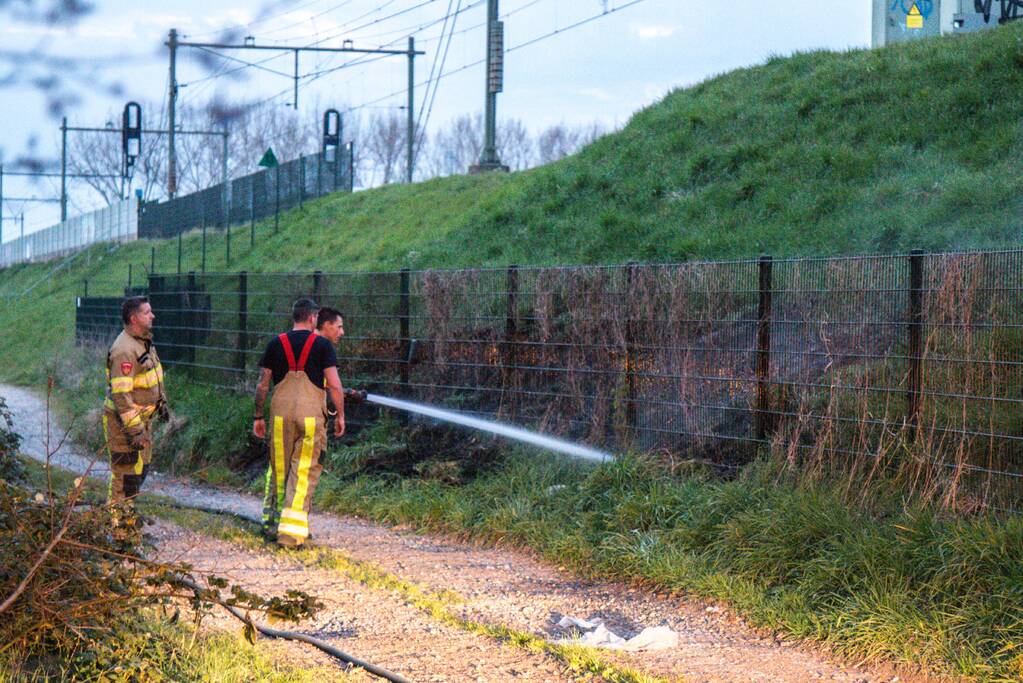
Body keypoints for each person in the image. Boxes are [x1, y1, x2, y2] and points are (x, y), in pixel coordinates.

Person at [253, 298, 344, 547]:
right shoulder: (323, 345)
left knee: (279, 471)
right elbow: (334, 385)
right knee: (302, 472)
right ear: (313, 318)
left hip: (280, 417)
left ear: (294, 316)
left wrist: (258, 416)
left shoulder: (275, 343)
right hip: (311, 418)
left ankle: (272, 524)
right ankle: (291, 534)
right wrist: (341, 415)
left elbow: (262, 385)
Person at [104, 296, 169, 542]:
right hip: (123, 426)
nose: (152, 316)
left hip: (142, 422)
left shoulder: (142, 342)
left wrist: (160, 405)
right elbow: (122, 396)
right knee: (125, 477)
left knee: (139, 473)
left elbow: (151, 378)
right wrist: (135, 431)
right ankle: (120, 535)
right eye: (147, 312)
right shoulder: (124, 350)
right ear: (134, 318)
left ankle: (128, 525)